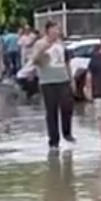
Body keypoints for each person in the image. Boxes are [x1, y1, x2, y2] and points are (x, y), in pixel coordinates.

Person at [31, 21, 76, 149]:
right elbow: (34, 60)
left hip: (63, 79)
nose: (57, 32)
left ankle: (67, 133)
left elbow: (67, 61)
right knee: (51, 110)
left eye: (58, 29)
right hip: (47, 81)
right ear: (48, 30)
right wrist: (43, 50)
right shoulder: (40, 43)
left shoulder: (60, 43)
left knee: (67, 106)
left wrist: (71, 79)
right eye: (55, 29)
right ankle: (54, 140)